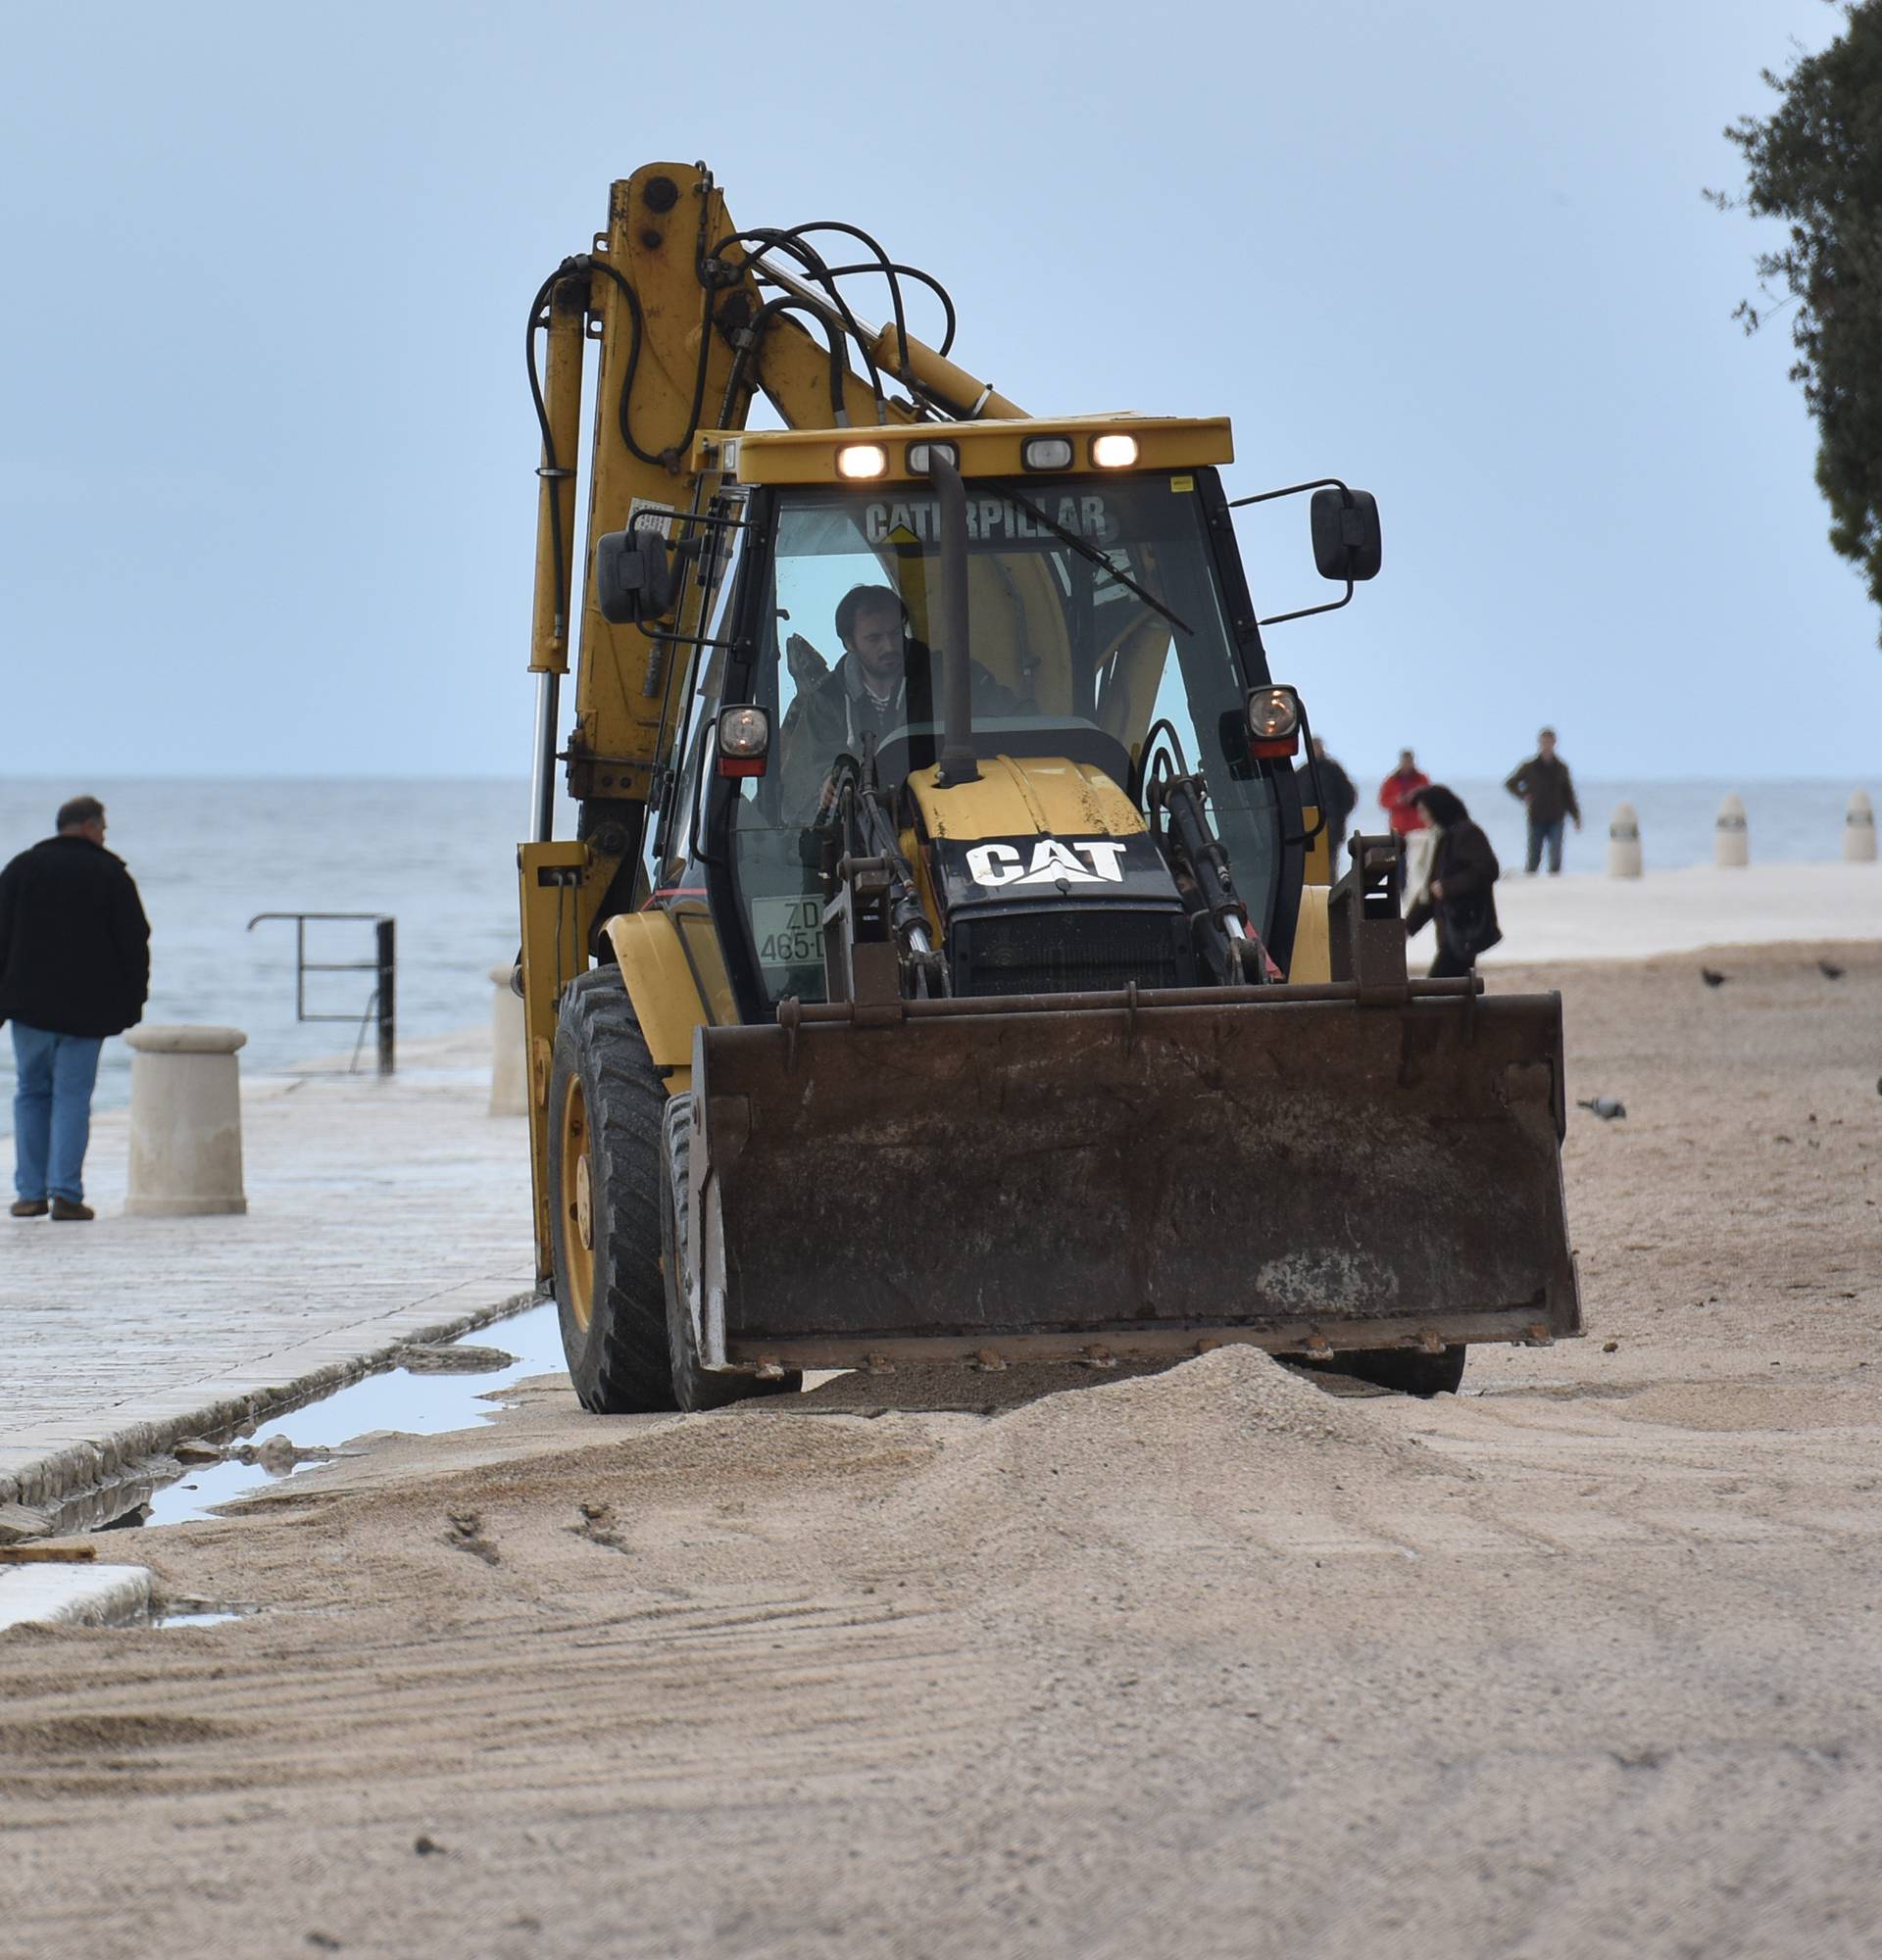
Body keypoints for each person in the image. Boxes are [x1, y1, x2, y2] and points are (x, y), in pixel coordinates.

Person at [0, 796, 151, 1221]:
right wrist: (132, 1003)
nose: (104, 836)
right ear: (86, 826)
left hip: (28, 1008)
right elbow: (134, 943)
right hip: (88, 1012)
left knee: (30, 1093)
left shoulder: (22, 869)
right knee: (72, 1098)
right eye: (102, 827)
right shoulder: (111, 874)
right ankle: (66, 1194)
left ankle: (30, 1193)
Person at [778, 584, 1019, 816]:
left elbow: (1014, 721)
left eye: (895, 633)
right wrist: (827, 783)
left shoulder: (951, 677)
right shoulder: (826, 700)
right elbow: (809, 770)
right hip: (862, 829)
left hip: (957, 807)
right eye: (874, 638)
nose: (889, 646)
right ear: (849, 643)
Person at [1402, 784, 1502, 978]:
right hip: (1451, 934)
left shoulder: (1466, 833)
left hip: (1465, 930)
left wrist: (1448, 887)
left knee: (1438, 988)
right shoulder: (1443, 838)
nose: (1421, 816)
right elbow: (1430, 893)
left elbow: (1488, 869)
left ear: (1437, 809)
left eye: (1423, 810)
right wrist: (1407, 927)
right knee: (1453, 993)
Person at [1505, 726, 1582, 874]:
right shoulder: (1529, 766)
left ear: (1554, 743)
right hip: (1536, 816)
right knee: (1533, 860)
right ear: (1539, 743)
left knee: (1555, 860)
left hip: (1556, 817)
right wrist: (1524, 795)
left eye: (1549, 742)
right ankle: (1530, 889)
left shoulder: (1561, 768)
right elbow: (1510, 783)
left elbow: (1568, 794)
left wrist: (1576, 816)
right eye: (1544, 742)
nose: (1547, 745)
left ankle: (1555, 890)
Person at [1378, 748, 1433, 902]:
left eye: (1409, 761)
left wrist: (1415, 798)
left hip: (1418, 827)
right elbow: (1383, 801)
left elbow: (1431, 798)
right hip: (1399, 826)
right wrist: (1398, 800)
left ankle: (1420, 890)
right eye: (1405, 762)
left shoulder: (1421, 779)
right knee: (1399, 862)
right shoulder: (1391, 780)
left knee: (1420, 861)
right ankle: (1401, 891)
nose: (1407, 764)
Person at [1298, 737, 1358, 875]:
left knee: (1329, 865)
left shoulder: (1333, 771)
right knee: (1310, 867)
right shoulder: (1302, 773)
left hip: (1332, 826)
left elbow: (1349, 796)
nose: (1314, 750)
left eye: (1316, 747)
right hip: (1308, 827)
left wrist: (1337, 816)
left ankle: (1330, 893)